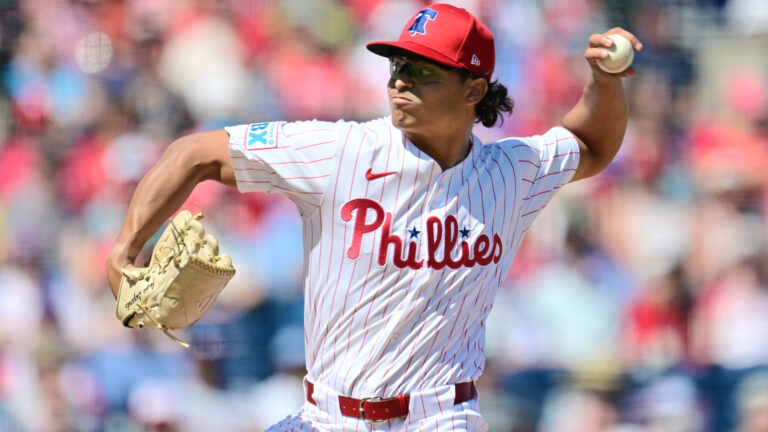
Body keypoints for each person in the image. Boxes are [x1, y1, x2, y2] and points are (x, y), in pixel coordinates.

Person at [106, 3, 642, 431]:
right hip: (326, 418)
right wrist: (126, 248)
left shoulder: (512, 171)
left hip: (442, 417)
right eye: (397, 66)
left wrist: (605, 83)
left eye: (423, 71)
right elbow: (194, 152)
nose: (400, 81)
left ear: (473, 89)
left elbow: (592, 145)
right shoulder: (340, 150)